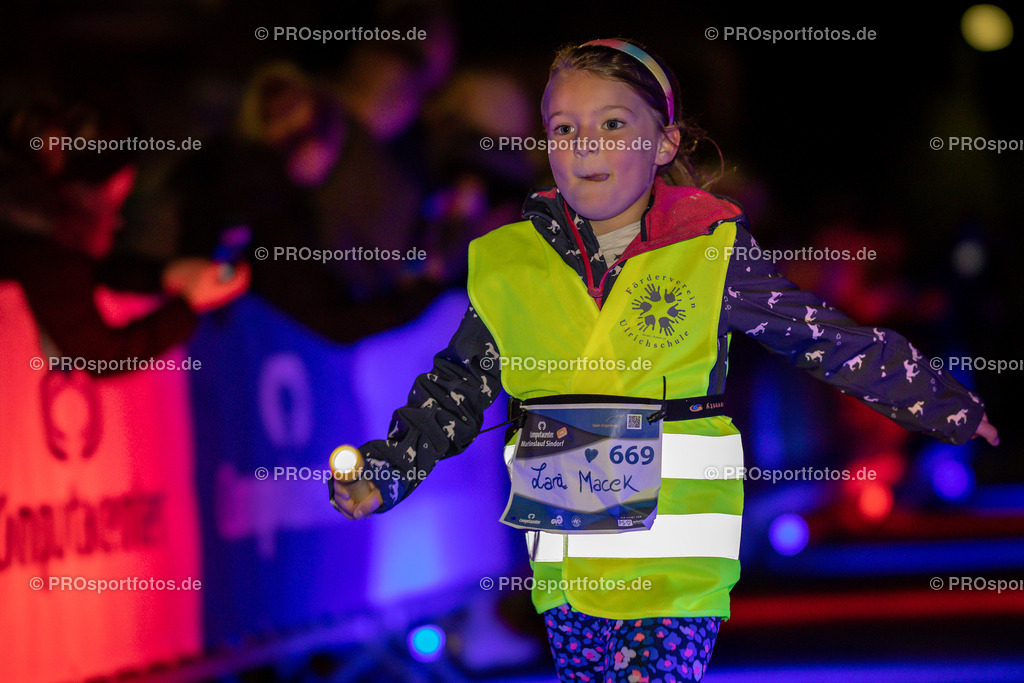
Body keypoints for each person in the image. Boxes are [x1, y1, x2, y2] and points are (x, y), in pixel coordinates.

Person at [328, 39, 999, 682]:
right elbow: (455, 387)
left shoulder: (710, 250)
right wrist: (387, 469)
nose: (584, 144)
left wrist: (940, 400)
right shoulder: (512, 262)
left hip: (674, 545)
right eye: (564, 128)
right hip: (568, 544)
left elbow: (817, 334)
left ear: (664, 143)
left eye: (612, 123)